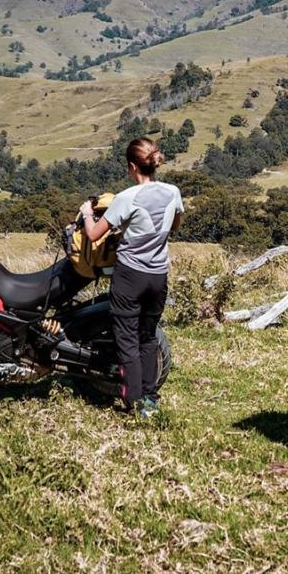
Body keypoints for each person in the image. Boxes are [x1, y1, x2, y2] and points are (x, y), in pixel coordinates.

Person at [81, 137, 183, 417]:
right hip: (158, 276)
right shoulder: (173, 191)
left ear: (131, 166)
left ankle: (134, 402)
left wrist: (87, 213)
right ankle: (150, 399)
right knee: (147, 337)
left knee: (126, 340)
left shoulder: (127, 197)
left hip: (130, 277)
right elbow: (173, 224)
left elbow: (93, 234)